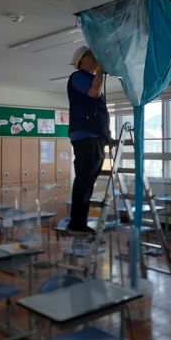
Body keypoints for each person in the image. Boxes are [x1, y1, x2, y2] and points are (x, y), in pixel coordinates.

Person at [66, 45, 110, 235]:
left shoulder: (92, 79)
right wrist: (100, 70)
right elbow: (93, 93)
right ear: (81, 61)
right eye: (91, 56)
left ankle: (79, 223)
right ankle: (76, 224)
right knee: (84, 180)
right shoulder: (78, 77)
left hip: (94, 135)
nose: (95, 59)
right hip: (86, 135)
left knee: (88, 180)